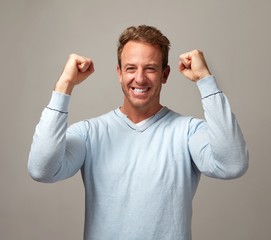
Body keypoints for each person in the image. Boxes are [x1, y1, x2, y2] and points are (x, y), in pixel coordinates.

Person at [28, 25, 249, 240]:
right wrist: (64, 85)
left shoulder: (189, 132)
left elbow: (232, 165)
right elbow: (42, 170)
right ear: (119, 73)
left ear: (165, 74)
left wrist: (205, 81)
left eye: (150, 68)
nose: (140, 78)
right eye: (131, 68)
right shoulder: (89, 133)